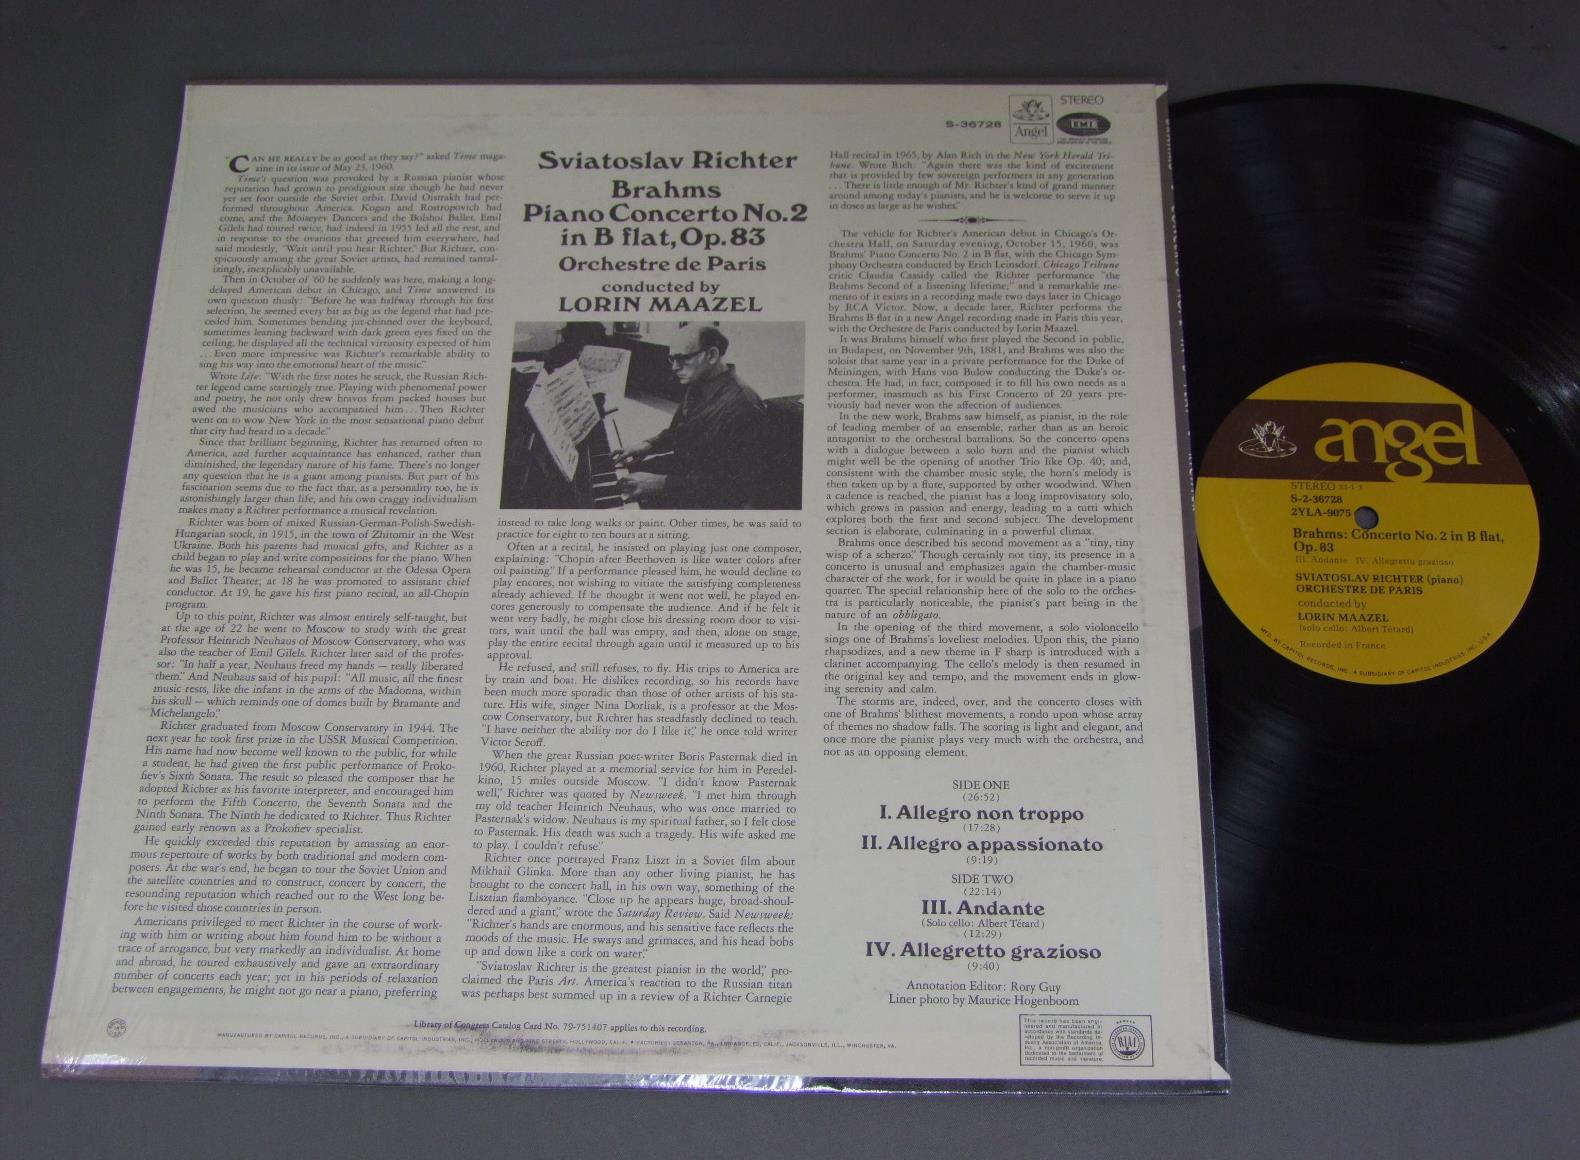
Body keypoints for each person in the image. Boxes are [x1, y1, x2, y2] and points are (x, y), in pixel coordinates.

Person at [614, 325, 767, 508]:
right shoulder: (698, 382)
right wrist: (648, 445)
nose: (674, 367)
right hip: (687, 472)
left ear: (712, 355)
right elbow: (680, 432)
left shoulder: (743, 406)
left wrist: (662, 484)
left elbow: (737, 488)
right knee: (616, 475)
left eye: (683, 358)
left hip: (711, 499)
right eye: (672, 359)